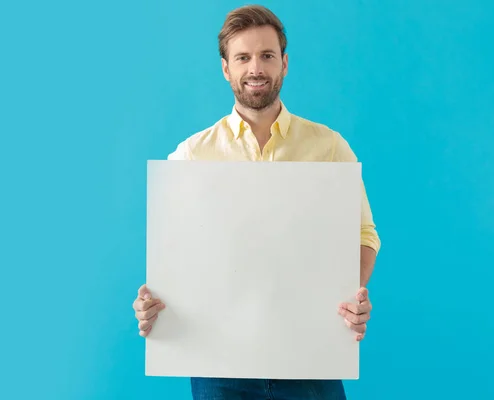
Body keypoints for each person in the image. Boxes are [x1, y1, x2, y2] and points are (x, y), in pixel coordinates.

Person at [132, 4, 381, 399]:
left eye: (266, 56)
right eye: (243, 57)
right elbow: (173, 253)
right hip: (219, 365)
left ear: (284, 62)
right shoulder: (191, 156)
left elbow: (364, 235)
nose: (256, 69)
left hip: (310, 357)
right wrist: (152, 307)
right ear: (226, 68)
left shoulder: (329, 147)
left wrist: (350, 295)